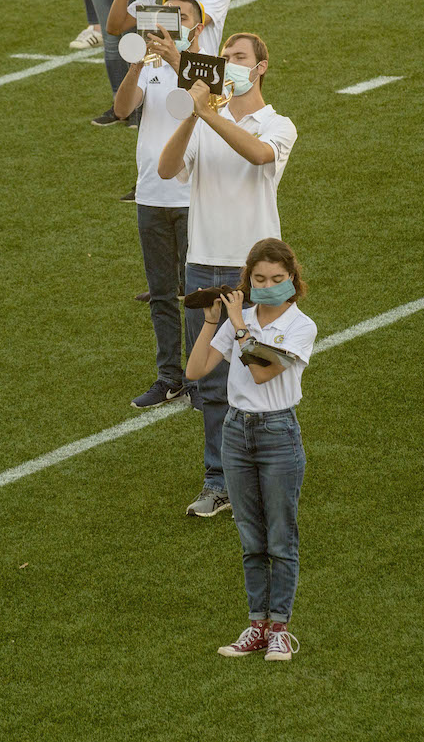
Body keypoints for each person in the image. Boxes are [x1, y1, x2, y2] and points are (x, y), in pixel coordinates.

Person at [157, 34, 297, 519]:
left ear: (261, 67)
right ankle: (217, 481)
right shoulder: (203, 120)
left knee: (260, 372)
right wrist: (193, 116)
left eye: (239, 58)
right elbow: (167, 167)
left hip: (253, 272)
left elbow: (258, 157)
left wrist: (209, 114)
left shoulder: (278, 125)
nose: (231, 65)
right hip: (203, 264)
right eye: (227, 58)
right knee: (210, 383)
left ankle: (266, 468)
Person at [188, 239, 317, 663]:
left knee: (281, 536)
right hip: (237, 434)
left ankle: (280, 628)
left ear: (292, 281)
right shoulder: (236, 320)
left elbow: (262, 372)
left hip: (278, 433)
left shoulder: (301, 326)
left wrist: (238, 323)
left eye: (278, 279)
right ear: (248, 279)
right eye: (259, 278)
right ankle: (256, 626)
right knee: (250, 537)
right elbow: (196, 370)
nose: (268, 285)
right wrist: (212, 322)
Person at [115, 0, 221, 410]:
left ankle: (199, 379)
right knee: (161, 293)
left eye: (181, 17)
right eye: (167, 15)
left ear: (196, 28)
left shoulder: (209, 68)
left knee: (194, 294)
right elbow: (123, 109)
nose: (171, 23)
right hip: (151, 195)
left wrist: (179, 61)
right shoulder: (149, 65)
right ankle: (169, 377)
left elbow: (209, 105)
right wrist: (136, 67)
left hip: (194, 197)